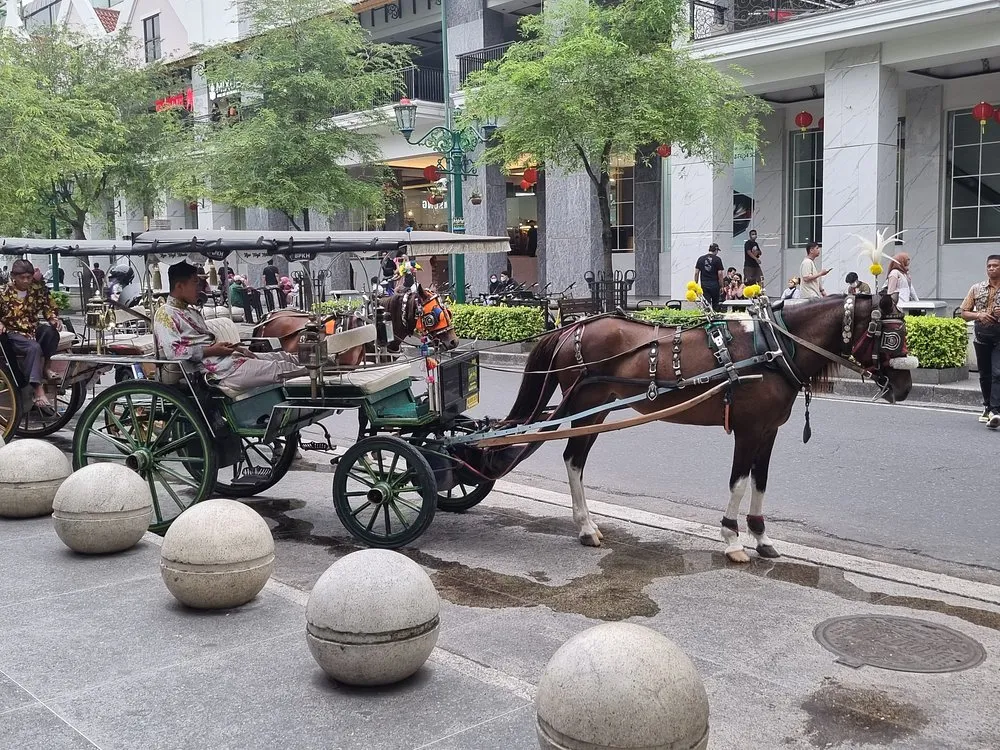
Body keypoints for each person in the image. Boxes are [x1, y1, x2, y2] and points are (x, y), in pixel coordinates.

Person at [154, 262, 305, 395]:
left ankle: (319, 362)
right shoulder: (165, 314)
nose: (200, 288)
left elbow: (208, 342)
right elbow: (174, 352)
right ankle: (317, 371)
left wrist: (234, 348)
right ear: (180, 286)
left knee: (283, 357)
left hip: (227, 360)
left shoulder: (191, 311)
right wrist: (213, 350)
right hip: (215, 372)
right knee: (279, 368)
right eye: (195, 283)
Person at [0, 259, 62, 414]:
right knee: (33, 347)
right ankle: (38, 390)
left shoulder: (37, 290)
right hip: (12, 333)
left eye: (28, 277)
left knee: (51, 333)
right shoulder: (3, 292)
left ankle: (46, 367)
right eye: (22, 278)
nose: (26, 281)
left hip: (32, 330)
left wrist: (53, 318)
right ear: (14, 276)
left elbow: (49, 306)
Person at [958, 255, 1000, 426]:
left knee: (998, 372)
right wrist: (979, 315)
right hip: (982, 335)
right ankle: (988, 406)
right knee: (985, 375)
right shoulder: (977, 288)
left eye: (995, 266)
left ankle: (995, 410)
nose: (992, 269)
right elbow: (963, 313)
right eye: (989, 266)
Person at [694, 243, 725, 310]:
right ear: (716, 250)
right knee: (715, 304)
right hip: (714, 284)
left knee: (706, 304)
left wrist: (695, 285)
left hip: (704, 283)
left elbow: (696, 273)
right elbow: (720, 273)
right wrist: (722, 285)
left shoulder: (701, 259)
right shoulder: (717, 259)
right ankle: (715, 318)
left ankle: (707, 317)